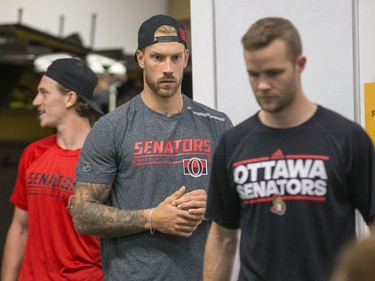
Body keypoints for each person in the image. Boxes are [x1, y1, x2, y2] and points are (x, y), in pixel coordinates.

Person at [203, 17, 375, 281]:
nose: (262, 85)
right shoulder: (233, 144)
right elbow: (222, 238)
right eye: (254, 74)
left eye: (274, 73)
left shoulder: (347, 139)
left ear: (299, 65)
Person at [70, 14, 232, 281]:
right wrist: (152, 218)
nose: (168, 68)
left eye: (175, 58)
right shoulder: (112, 128)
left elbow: (247, 201)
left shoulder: (217, 124)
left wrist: (214, 203)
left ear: (186, 58)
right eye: (158, 57)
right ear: (141, 58)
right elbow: (82, 213)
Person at [1, 58, 104, 281]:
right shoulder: (33, 154)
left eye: (44, 93)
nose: (36, 101)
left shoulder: (105, 160)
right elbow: (20, 228)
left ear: (70, 98)